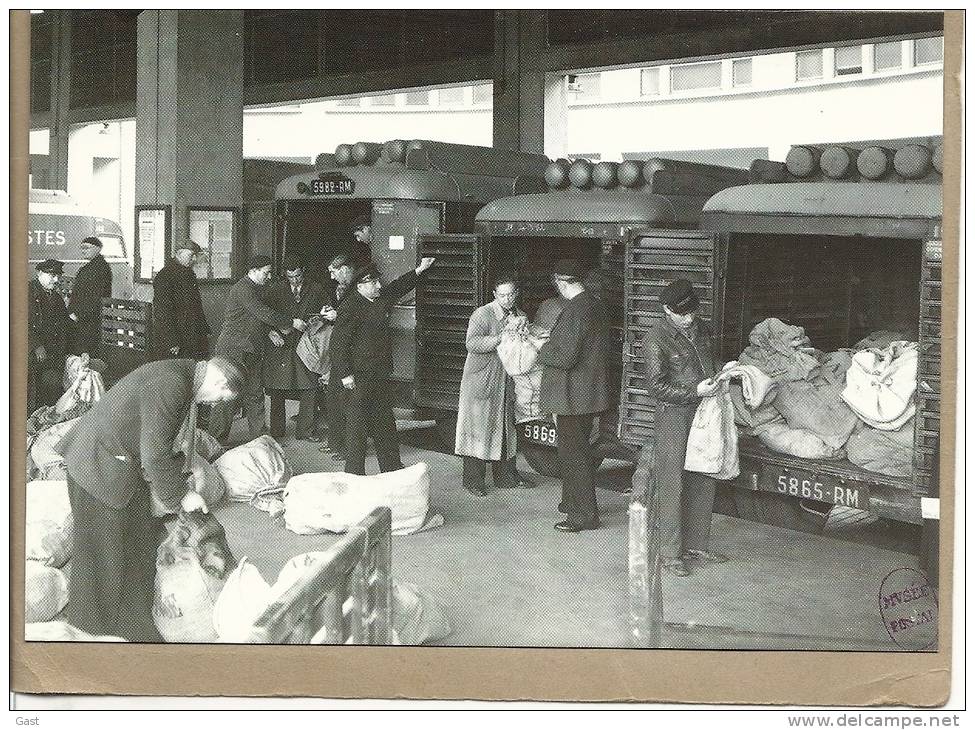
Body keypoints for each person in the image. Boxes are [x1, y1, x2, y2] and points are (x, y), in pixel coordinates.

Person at [57, 356, 243, 641]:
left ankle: (132, 623)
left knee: (139, 540)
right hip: (97, 465)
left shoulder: (183, 375)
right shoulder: (172, 384)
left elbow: (158, 439)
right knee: (97, 558)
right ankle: (85, 637)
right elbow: (154, 454)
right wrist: (183, 495)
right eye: (221, 398)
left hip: (115, 462)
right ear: (219, 381)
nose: (214, 404)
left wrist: (181, 469)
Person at [640, 278, 727, 577]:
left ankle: (696, 544)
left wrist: (721, 375)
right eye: (682, 314)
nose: (690, 318)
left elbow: (708, 361)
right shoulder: (656, 339)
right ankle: (670, 552)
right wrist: (694, 392)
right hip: (675, 416)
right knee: (672, 481)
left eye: (692, 311)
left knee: (703, 474)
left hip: (705, 411)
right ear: (666, 310)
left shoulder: (700, 328)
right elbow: (656, 387)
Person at [330, 256, 435, 475]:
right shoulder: (350, 307)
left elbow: (397, 287)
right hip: (358, 377)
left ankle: (392, 467)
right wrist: (345, 375)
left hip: (379, 374)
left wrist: (419, 270)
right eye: (374, 283)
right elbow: (338, 345)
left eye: (378, 282)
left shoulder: (378, 299)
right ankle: (354, 473)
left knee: (384, 423)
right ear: (361, 286)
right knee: (357, 427)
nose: (379, 286)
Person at [536, 259, 610, 533]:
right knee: (578, 452)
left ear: (561, 282)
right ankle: (572, 505)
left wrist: (540, 348)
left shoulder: (575, 310)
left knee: (574, 456)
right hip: (587, 393)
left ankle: (582, 516)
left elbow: (565, 357)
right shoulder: (595, 305)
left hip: (572, 397)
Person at [455, 273, 535, 495]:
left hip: (506, 383)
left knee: (506, 431)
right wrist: (501, 338)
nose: (507, 299)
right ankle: (473, 482)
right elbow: (471, 343)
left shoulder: (520, 315)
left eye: (511, 294)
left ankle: (506, 477)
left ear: (516, 294)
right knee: (477, 430)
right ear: (494, 295)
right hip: (482, 381)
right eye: (502, 295)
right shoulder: (482, 314)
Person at [207, 255, 296, 444]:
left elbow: (256, 318)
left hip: (251, 349)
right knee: (227, 394)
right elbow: (261, 312)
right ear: (253, 271)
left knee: (255, 393)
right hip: (234, 349)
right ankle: (215, 441)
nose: (269, 276)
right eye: (266, 272)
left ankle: (261, 440)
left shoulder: (257, 288)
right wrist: (291, 323)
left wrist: (271, 331)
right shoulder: (243, 288)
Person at [263, 255, 326, 441]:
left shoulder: (316, 289)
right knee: (277, 389)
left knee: (310, 387)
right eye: (290, 277)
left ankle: (306, 431)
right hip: (280, 344)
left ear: (303, 271)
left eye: (297, 276)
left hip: (306, 344)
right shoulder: (274, 290)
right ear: (285, 275)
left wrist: (316, 321)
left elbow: (325, 313)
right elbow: (263, 314)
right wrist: (270, 332)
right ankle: (276, 432)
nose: (295, 281)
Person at [316, 252, 358, 454]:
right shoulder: (346, 288)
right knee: (334, 399)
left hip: (352, 356)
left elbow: (358, 315)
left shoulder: (359, 286)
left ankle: (346, 448)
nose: (332, 277)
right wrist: (333, 312)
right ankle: (337, 443)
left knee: (346, 403)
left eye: (333, 272)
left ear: (344, 269)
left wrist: (337, 314)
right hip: (341, 356)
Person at [150, 240, 210, 361]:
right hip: (176, 340)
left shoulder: (189, 274)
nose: (194, 259)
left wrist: (204, 329)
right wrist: (172, 341)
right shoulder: (165, 276)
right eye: (190, 255)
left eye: (195, 256)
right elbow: (162, 311)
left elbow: (196, 305)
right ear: (178, 253)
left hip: (191, 335)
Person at [28, 259, 70, 412]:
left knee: (52, 387)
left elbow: (66, 325)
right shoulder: (27, 293)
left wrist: (81, 350)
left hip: (52, 354)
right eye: (52, 275)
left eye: (58, 275)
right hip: (32, 353)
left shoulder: (57, 298)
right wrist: (36, 345)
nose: (56, 279)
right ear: (39, 273)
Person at [67, 236, 112, 357]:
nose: (83, 250)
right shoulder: (92, 267)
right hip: (84, 319)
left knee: (85, 353)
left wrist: (77, 314)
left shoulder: (100, 269)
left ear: (98, 249)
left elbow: (96, 297)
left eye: (86, 248)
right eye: (82, 248)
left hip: (89, 321)